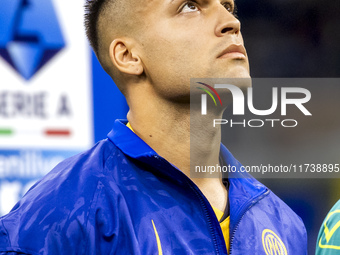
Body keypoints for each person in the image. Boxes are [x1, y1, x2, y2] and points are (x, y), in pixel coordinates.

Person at [0, 0, 307, 254]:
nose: (231, 22)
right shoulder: (63, 216)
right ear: (128, 55)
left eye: (228, 6)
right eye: (190, 7)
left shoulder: (285, 223)